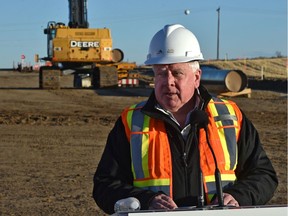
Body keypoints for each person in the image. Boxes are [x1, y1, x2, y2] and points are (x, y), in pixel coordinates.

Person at [92, 24, 278, 214]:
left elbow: (264, 175)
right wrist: (147, 200)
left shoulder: (229, 116)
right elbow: (104, 185)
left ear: (196, 77)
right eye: (161, 73)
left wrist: (238, 196)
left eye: (177, 73)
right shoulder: (132, 122)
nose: (168, 81)